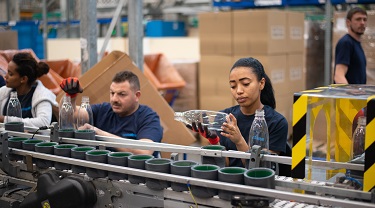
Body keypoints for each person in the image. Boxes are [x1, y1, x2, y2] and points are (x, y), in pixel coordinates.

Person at [188, 57, 290, 173]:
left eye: (245, 84)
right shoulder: (224, 117)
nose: (239, 91)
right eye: (233, 86)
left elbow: (261, 171)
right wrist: (214, 141)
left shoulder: (276, 122)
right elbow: (224, 166)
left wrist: (239, 141)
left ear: (261, 83)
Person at [60, 71, 163, 157]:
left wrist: (98, 132)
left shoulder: (148, 118)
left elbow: (144, 153)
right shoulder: (103, 110)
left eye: (122, 94)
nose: (114, 99)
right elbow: (71, 114)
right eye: (112, 93)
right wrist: (70, 96)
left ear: (137, 95)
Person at [0, 52, 57, 128]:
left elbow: (43, 122)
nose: (5, 76)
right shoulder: (3, 92)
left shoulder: (43, 96)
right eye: (7, 72)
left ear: (23, 79)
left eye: (11, 74)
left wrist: (4, 119)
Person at [334, 7, 367, 84]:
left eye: (364, 19)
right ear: (348, 22)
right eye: (358, 19)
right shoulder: (346, 43)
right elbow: (339, 76)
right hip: (350, 95)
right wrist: (350, 95)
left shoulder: (356, 44)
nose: (362, 23)